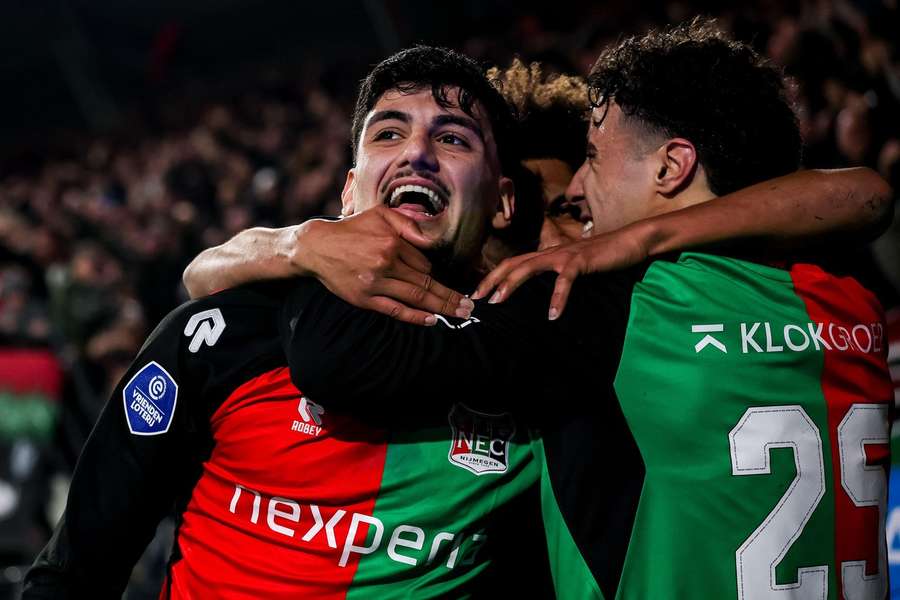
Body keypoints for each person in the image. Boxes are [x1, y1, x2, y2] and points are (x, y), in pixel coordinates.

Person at [183, 23, 894, 600]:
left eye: (591, 158)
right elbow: (864, 194)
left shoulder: (609, 309)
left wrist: (317, 245)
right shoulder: (846, 291)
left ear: (671, 168)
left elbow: (334, 359)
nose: (582, 200)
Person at [23, 45, 556, 599]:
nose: (417, 155)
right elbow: (74, 571)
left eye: (452, 139)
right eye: (389, 134)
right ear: (350, 190)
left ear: (502, 202)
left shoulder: (539, 370)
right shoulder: (221, 335)